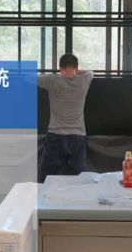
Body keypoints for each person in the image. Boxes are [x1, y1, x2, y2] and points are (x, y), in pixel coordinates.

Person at [37, 54, 93, 182]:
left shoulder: (52, 81)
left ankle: (44, 195)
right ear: (76, 68)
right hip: (78, 136)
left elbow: (28, 77)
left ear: (60, 68)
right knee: (78, 179)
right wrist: (76, 72)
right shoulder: (84, 80)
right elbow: (90, 72)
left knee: (46, 178)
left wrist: (60, 73)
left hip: (55, 136)